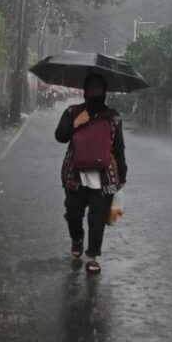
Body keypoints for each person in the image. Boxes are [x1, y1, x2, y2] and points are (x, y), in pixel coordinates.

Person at [55, 73, 127, 274]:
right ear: (85, 91)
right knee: (73, 214)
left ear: (104, 92)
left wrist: (122, 175)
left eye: (99, 89)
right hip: (75, 176)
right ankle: (77, 239)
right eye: (92, 88)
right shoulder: (72, 112)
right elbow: (60, 136)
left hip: (104, 178)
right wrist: (75, 123)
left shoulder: (113, 117)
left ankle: (92, 255)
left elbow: (119, 148)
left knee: (98, 218)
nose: (95, 93)